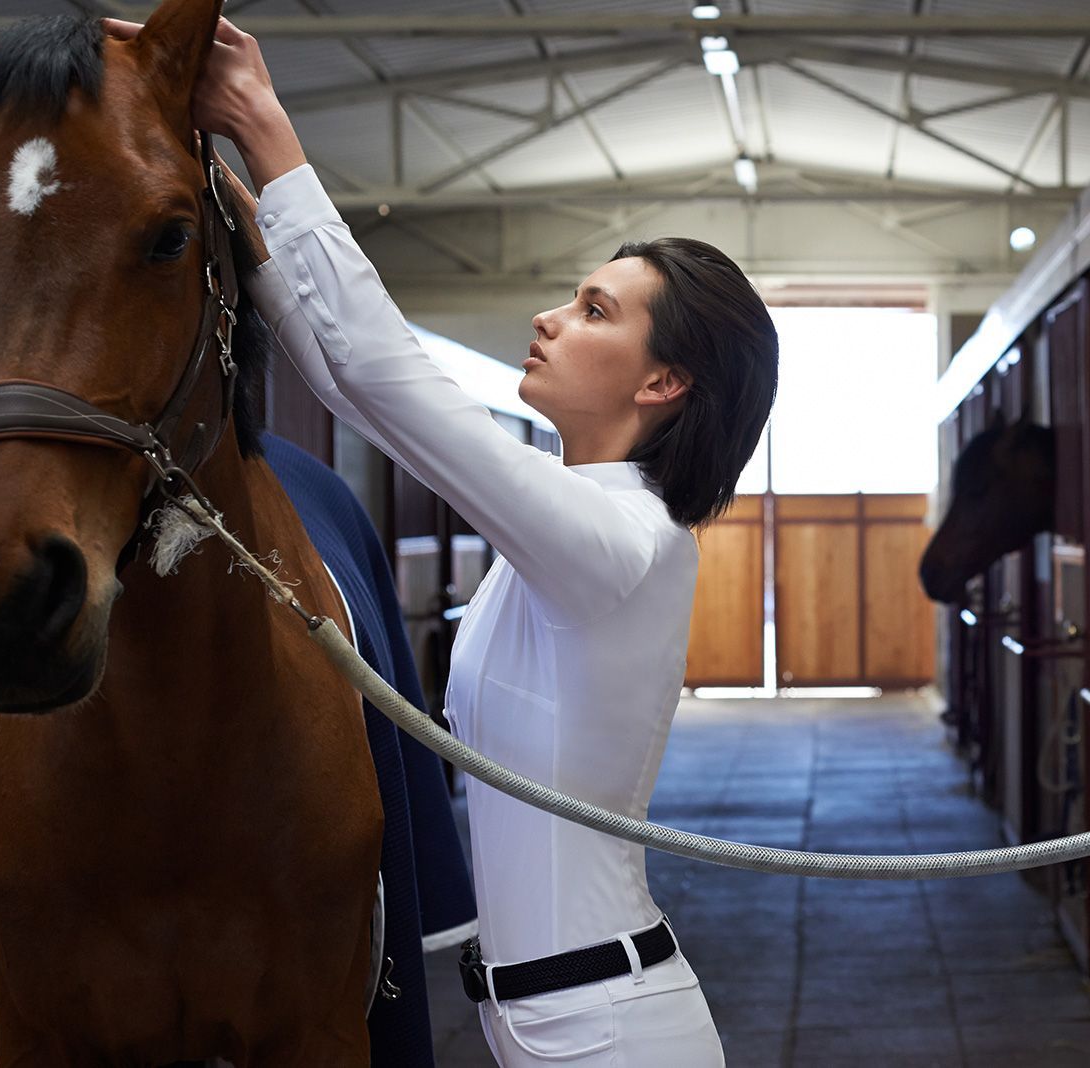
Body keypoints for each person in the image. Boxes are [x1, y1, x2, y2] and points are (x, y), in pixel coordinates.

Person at [103, 14, 778, 1066]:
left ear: (661, 384)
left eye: (595, 310)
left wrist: (269, 132)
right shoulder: (574, 521)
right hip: (548, 1022)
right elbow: (349, 388)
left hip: (606, 1033)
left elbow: (391, 381)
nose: (552, 318)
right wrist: (250, 232)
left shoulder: (621, 542)